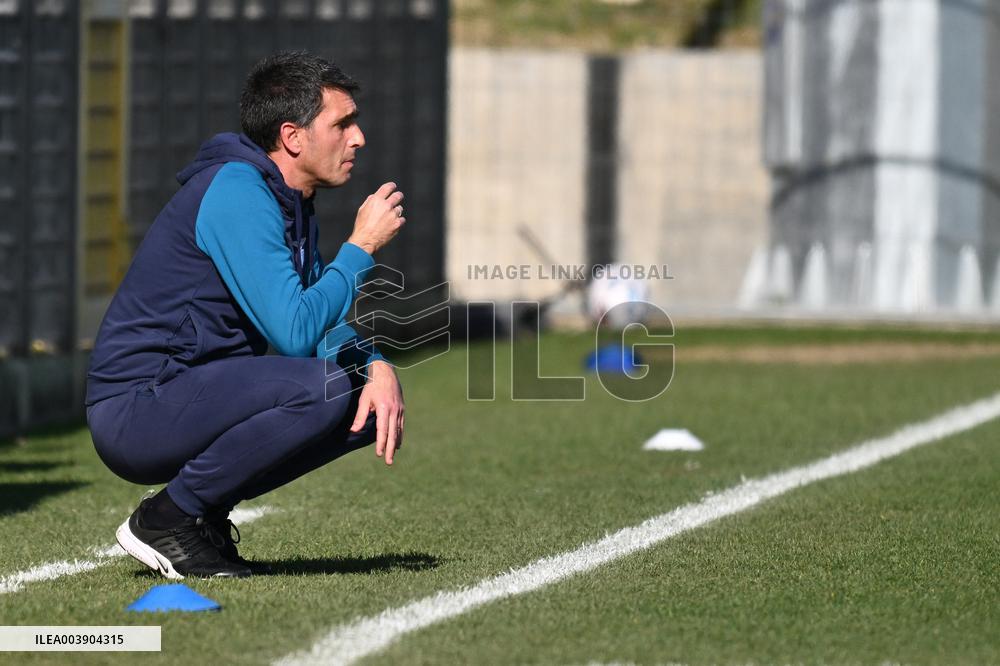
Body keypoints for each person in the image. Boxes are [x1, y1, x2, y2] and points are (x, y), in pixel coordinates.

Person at [85, 51, 406, 579]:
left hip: (189, 393)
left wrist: (375, 363)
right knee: (320, 387)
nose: (359, 138)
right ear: (293, 136)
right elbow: (296, 333)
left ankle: (203, 517)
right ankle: (167, 517)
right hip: (137, 408)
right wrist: (361, 246)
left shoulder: (288, 201)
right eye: (342, 123)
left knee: (368, 403)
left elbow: (315, 319)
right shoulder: (238, 191)